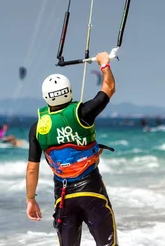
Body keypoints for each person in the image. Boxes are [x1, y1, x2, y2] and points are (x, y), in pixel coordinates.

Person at [25, 51, 117, 246]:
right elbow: (108, 88)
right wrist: (104, 64)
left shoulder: (37, 128)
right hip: (92, 193)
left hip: (64, 199)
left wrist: (31, 199)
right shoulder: (83, 112)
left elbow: (32, 168)